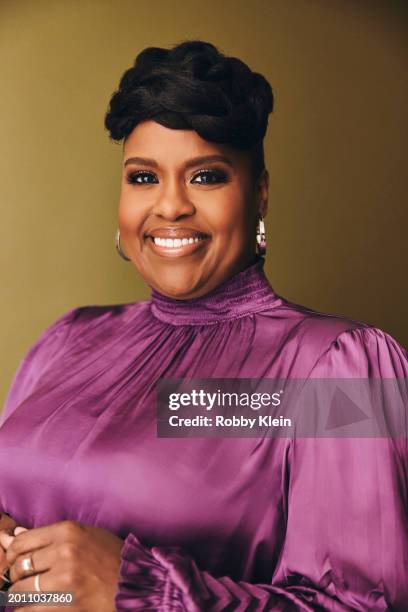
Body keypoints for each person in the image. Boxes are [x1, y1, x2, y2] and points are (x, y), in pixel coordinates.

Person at [0, 39, 407, 612]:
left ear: (259, 194)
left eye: (207, 176)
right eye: (143, 178)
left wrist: (139, 589)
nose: (169, 207)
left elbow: (363, 605)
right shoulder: (69, 340)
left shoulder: (335, 370)